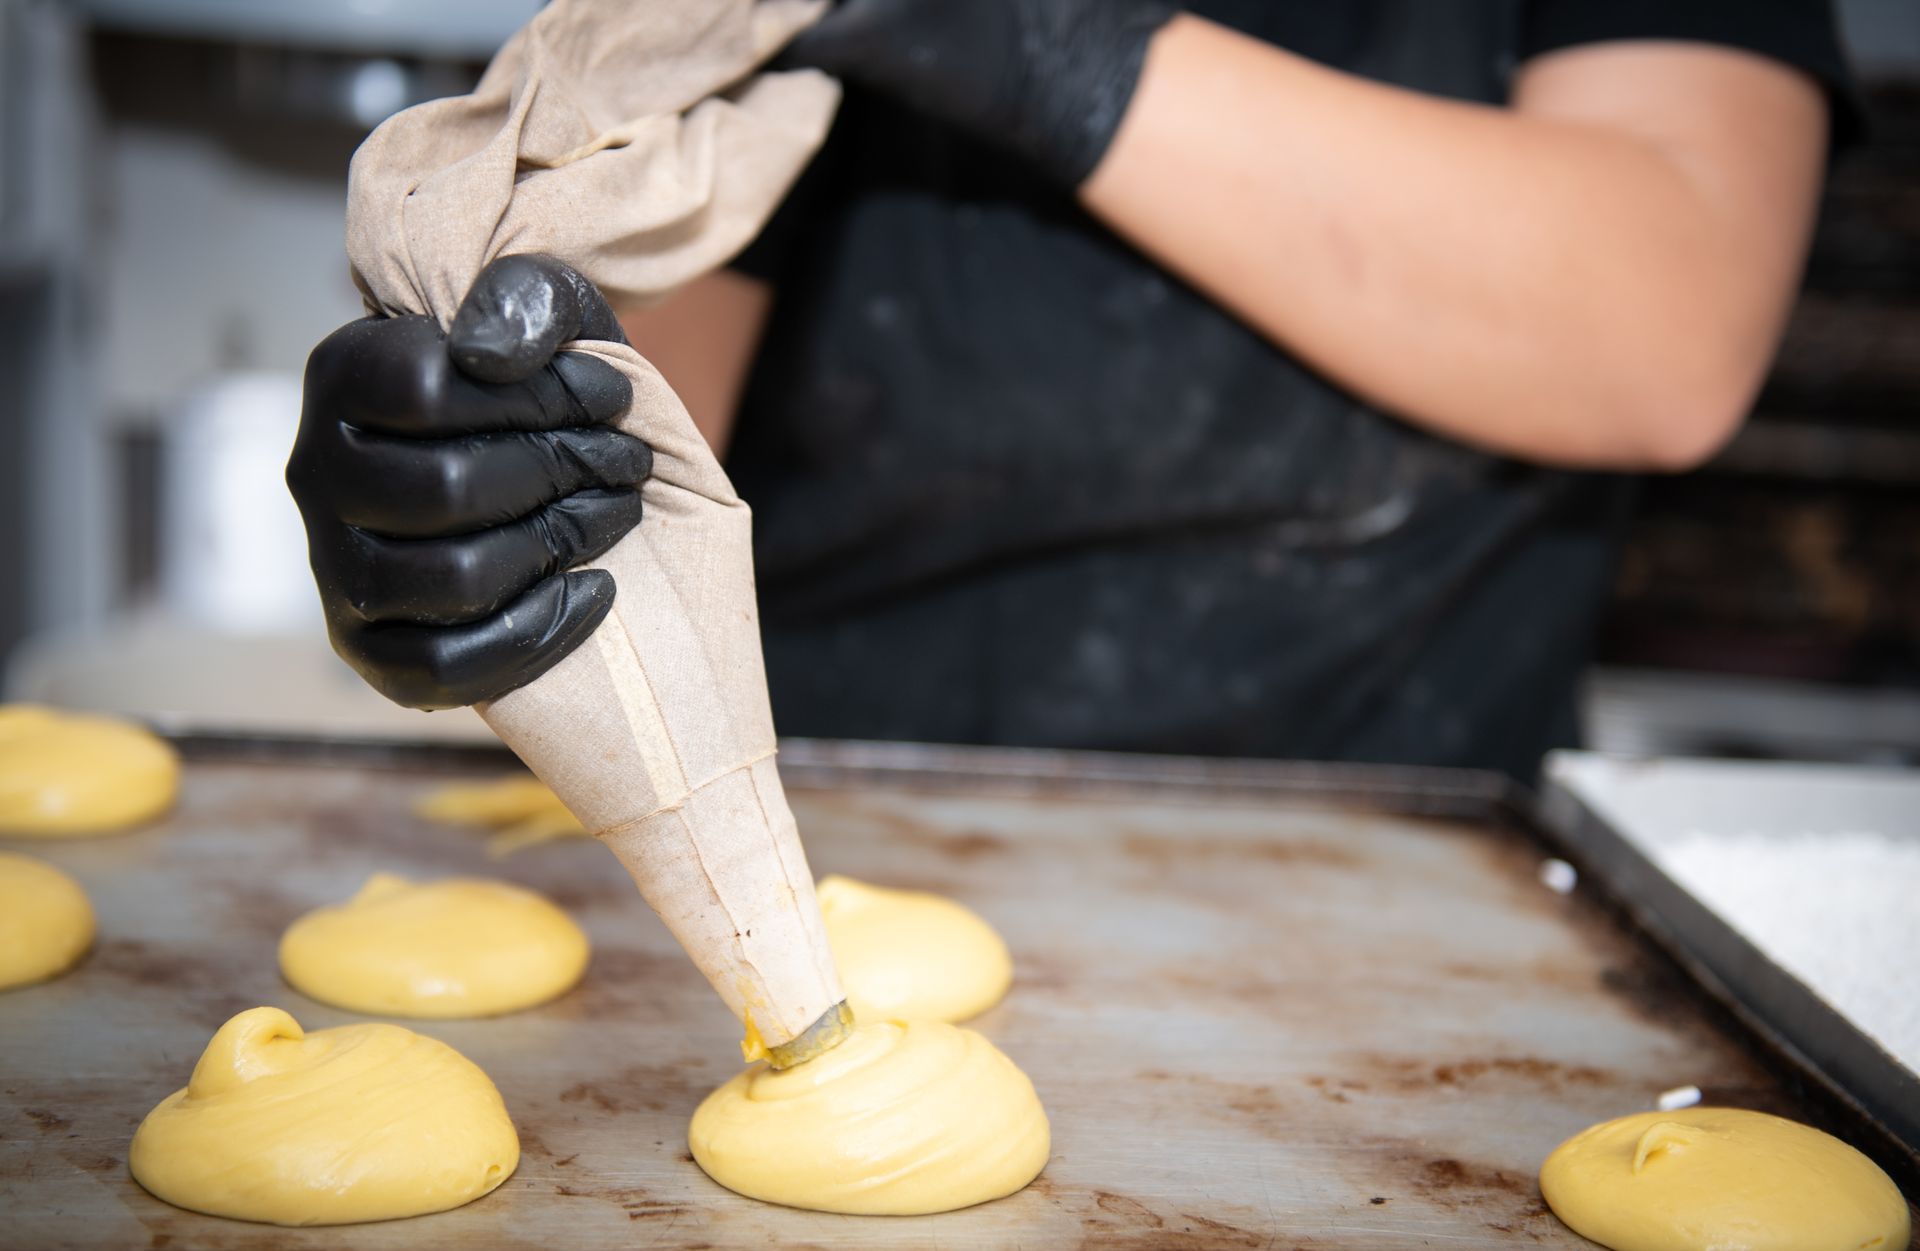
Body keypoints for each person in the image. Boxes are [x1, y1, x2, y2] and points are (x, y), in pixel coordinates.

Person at [290, 1, 1855, 781]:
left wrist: (1031, 36)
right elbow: (647, 386)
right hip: (834, 851)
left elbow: (1664, 329)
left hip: (1417, 862)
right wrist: (501, 471)